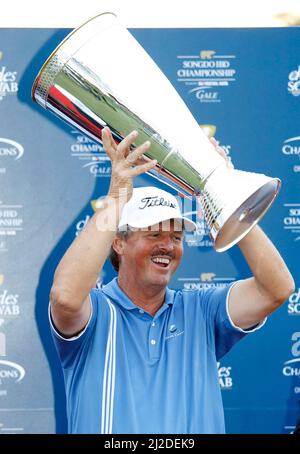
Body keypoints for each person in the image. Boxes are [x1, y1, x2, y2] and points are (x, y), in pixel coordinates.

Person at [49, 127, 294, 434]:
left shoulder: (201, 309)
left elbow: (276, 289)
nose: (168, 245)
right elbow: (64, 297)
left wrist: (227, 195)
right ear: (119, 242)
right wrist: (116, 199)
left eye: (176, 237)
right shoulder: (95, 311)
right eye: (154, 234)